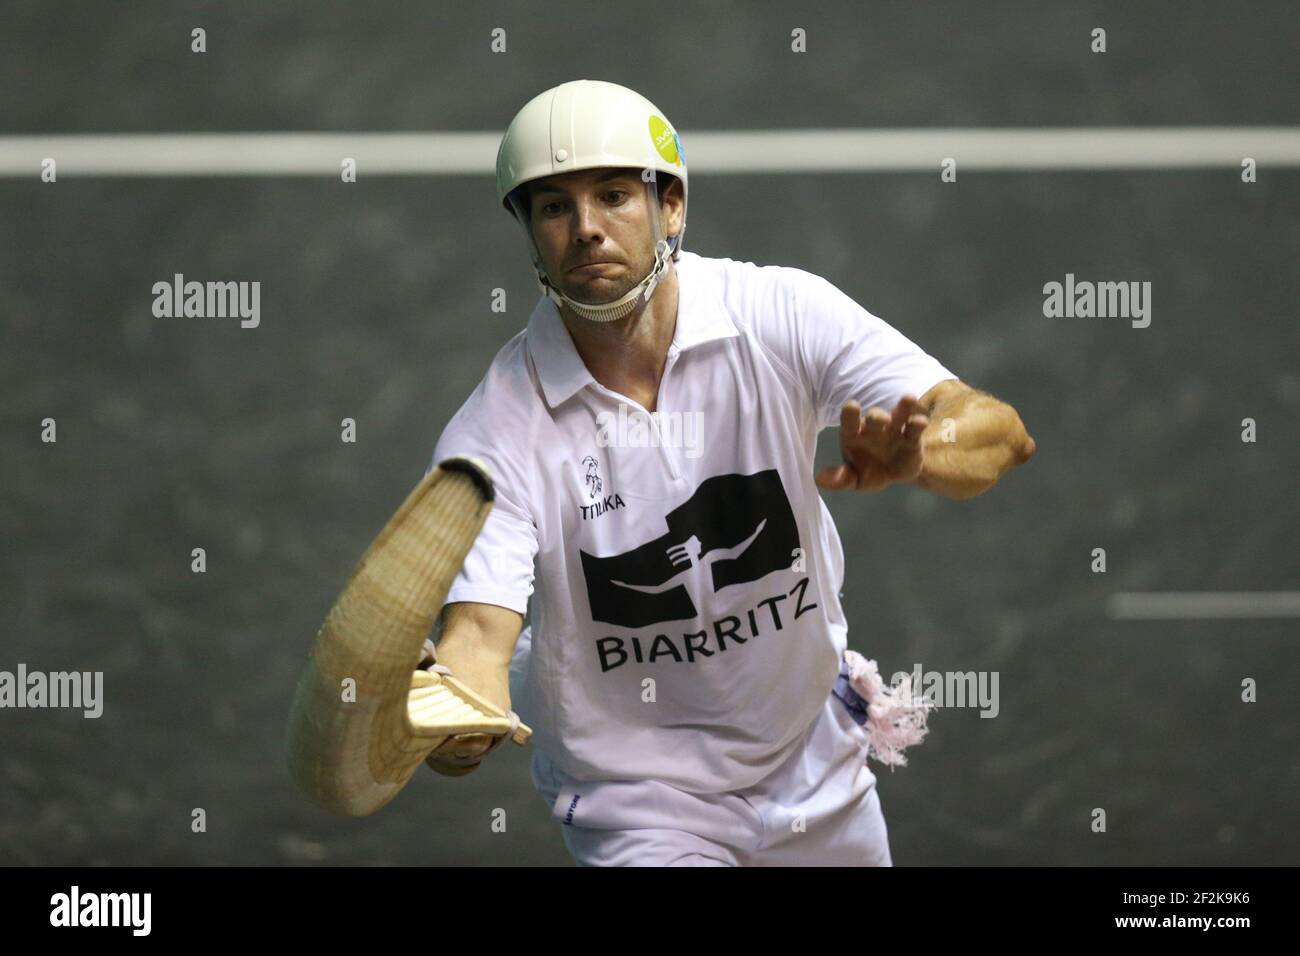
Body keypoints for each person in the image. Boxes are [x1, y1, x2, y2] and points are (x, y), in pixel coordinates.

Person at [423, 79, 1036, 865]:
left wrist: (925, 455)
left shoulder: (777, 314)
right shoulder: (494, 431)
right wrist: (451, 727)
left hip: (813, 758)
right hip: (638, 800)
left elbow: (999, 433)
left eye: (613, 195)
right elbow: (477, 638)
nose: (586, 230)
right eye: (553, 208)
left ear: (670, 206)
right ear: (528, 231)